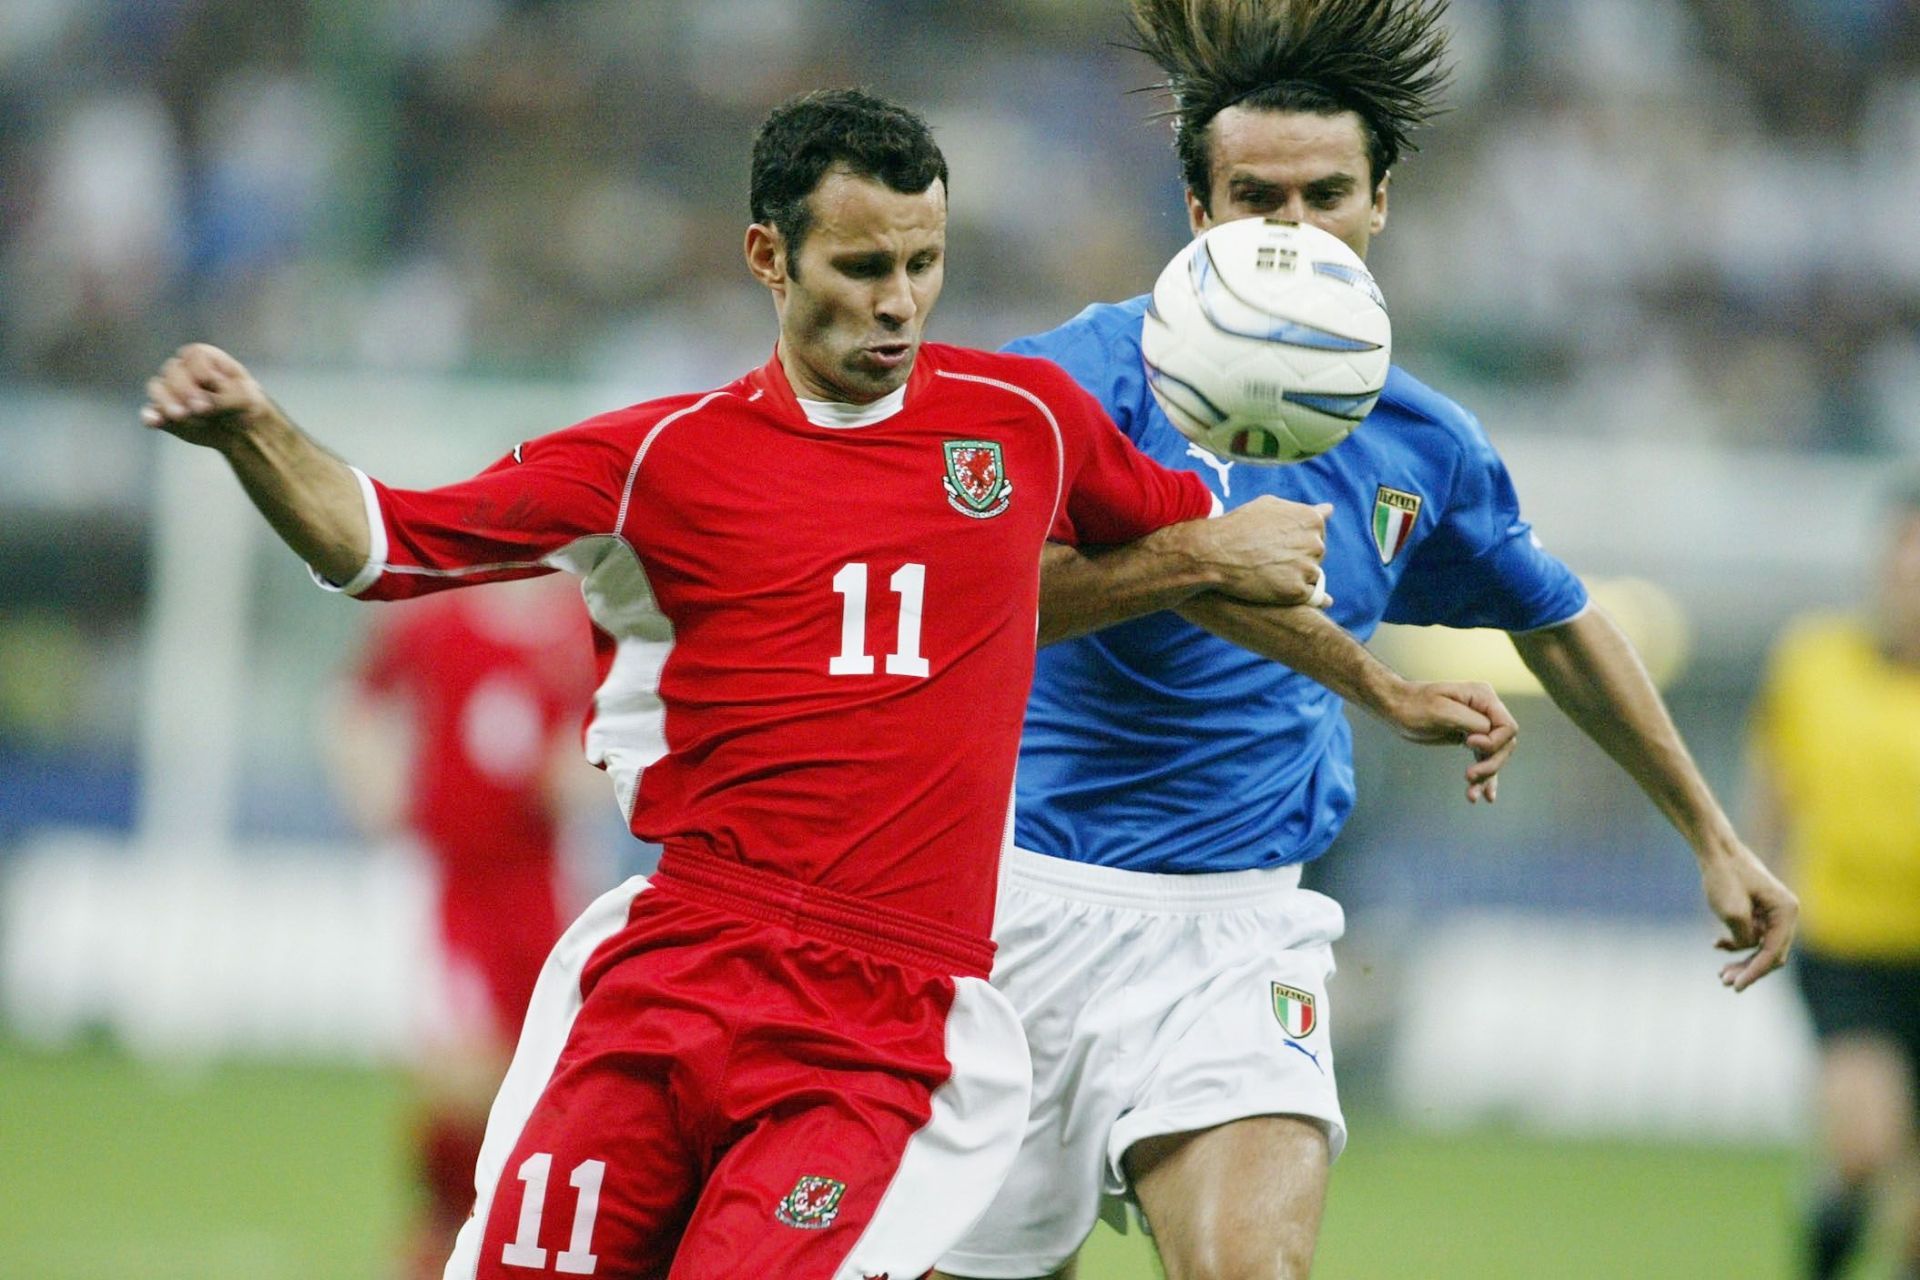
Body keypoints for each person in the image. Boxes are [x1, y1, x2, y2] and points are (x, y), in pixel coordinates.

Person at [139, 88, 1340, 1280]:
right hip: (678, 972)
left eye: (926, 263)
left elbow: (1214, 556)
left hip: (880, 1025)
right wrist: (256, 431)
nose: (900, 301)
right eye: (864, 264)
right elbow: (386, 543)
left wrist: (1374, 685)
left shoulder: (1025, 421)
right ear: (769, 255)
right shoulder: (661, 457)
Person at [934, 4, 1800, 1279]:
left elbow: (1558, 621)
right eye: (1255, 196)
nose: (1291, 231)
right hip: (1016, 909)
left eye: (1326, 193)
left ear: (1381, 201)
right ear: (1195, 209)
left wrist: (1713, 835)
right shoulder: (1071, 383)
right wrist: (1201, 556)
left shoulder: (1421, 440)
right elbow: (975, 596)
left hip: (1241, 927)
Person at [321, 577, 596, 1279]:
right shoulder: (438, 625)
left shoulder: (582, 629)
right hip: (455, 887)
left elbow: (618, 739)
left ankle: (501, 1237)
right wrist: (374, 783)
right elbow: (355, 699)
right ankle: (439, 1231)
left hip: (546, 891)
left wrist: (584, 773)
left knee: (540, 1091)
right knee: (462, 1081)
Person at [1749, 479, 1920, 1280]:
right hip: (1849, 947)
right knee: (1863, 1145)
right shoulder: (1815, 663)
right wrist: (1744, 870)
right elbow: (1775, 787)